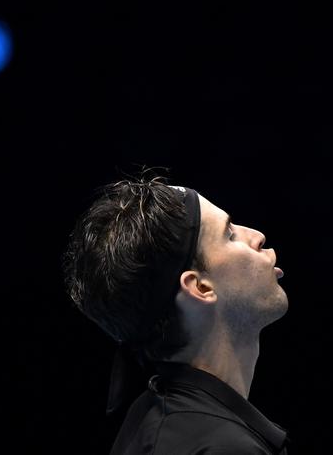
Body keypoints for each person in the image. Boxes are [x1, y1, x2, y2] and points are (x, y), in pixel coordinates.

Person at [61, 167, 292, 454]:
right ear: (200, 288)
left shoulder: (156, 417)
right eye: (229, 235)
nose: (256, 236)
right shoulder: (222, 447)